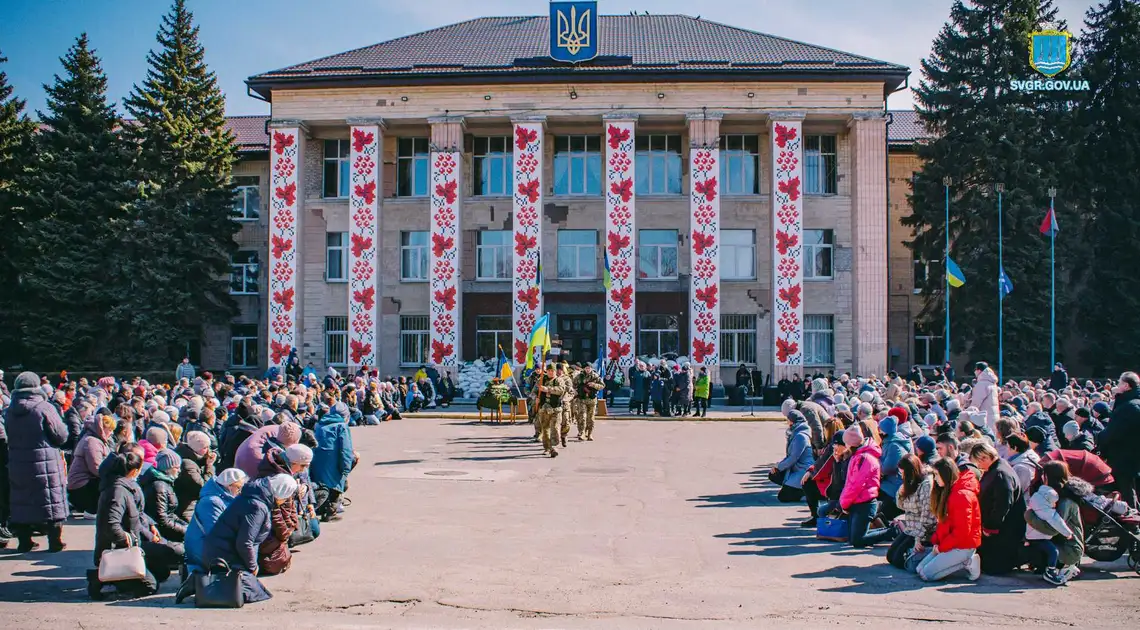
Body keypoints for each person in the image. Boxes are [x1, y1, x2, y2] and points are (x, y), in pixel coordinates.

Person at [201, 474, 296, 605]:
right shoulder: (258, 506)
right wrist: (253, 566)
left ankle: (200, 582)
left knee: (257, 590)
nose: (285, 500)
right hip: (224, 555)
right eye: (286, 496)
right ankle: (198, 583)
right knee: (253, 593)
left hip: (223, 551)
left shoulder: (256, 498)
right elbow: (245, 542)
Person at [90, 451, 169, 599]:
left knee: (161, 571)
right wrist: (127, 539)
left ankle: (111, 577)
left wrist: (150, 527)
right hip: (119, 550)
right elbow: (111, 525)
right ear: (134, 471)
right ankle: (101, 578)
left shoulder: (123, 486)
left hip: (132, 544)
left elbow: (137, 514)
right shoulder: (118, 492)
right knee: (150, 586)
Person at [5, 371, 69, 552]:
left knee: (21, 499)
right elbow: (61, 436)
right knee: (51, 499)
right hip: (45, 461)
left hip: (18, 462)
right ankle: (55, 541)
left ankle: (25, 541)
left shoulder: (9, 410)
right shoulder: (44, 408)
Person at [916, 458, 982, 581]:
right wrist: (937, 542)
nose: (934, 479)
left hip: (963, 545)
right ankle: (959, 561)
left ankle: (968, 561)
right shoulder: (949, 491)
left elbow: (962, 532)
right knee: (919, 569)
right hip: (952, 542)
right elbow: (944, 524)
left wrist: (941, 548)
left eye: (936, 475)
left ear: (945, 474)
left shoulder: (961, 495)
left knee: (926, 575)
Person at [970, 442, 1026, 575]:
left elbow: (1002, 504)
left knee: (994, 566)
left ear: (984, 458)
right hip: (999, 527)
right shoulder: (998, 469)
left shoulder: (1001, 473)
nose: (978, 466)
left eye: (978, 462)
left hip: (1004, 529)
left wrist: (990, 526)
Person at [1024, 460, 1077, 585]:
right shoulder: (1050, 500)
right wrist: (1067, 533)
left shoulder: (1040, 496)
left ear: (1046, 477)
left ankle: (1047, 569)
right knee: (1053, 552)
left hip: (1036, 534)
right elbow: (1055, 520)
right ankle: (1051, 572)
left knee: (1049, 551)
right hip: (1039, 535)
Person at [887, 454, 937, 571]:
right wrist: (901, 490)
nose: (901, 476)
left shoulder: (926, 484)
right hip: (911, 527)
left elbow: (928, 515)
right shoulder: (910, 483)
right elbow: (900, 505)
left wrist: (919, 539)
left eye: (903, 473)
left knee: (899, 560)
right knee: (891, 556)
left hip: (922, 530)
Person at [840, 426, 887, 548]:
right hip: (858, 501)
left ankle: (892, 531)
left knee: (857, 540)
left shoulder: (864, 458)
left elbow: (855, 485)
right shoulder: (859, 455)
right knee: (853, 538)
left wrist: (844, 503)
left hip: (864, 502)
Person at [1100, 371, 1140, 507]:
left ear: (1126, 386)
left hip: (1123, 455)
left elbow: (1113, 431)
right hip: (1132, 454)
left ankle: (1132, 524)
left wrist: (1100, 439)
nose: (1117, 385)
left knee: (1126, 490)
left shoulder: (1128, 407)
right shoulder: (1133, 404)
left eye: (1119, 383)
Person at [311, 402, 355, 519]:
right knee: (338, 481)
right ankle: (331, 511)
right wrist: (346, 468)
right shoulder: (342, 426)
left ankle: (322, 506)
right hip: (332, 461)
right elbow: (346, 449)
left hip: (317, 460)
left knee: (323, 483)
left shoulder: (320, 423)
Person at [68, 413, 116, 519]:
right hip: (81, 487)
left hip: (80, 485)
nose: (111, 433)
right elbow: (96, 468)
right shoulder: (92, 442)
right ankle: (92, 509)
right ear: (103, 428)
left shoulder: (94, 439)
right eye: (110, 430)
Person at [141, 448, 189, 542]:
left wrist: (186, 525)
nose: (179, 470)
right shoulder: (159, 487)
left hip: (168, 528)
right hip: (161, 534)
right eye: (176, 467)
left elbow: (170, 514)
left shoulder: (165, 483)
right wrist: (185, 530)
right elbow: (162, 520)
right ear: (167, 468)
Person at [878, 412, 914, 521]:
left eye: (880, 429)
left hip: (895, 485)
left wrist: (877, 460)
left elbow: (886, 468)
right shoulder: (891, 441)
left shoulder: (895, 446)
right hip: (891, 482)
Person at [772, 410, 814, 503]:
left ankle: (805, 493)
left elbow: (793, 458)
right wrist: (778, 466)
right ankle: (795, 488)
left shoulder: (801, 436)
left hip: (803, 470)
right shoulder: (796, 433)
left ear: (792, 421)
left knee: (783, 497)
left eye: (788, 420)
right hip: (796, 469)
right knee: (773, 474)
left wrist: (779, 467)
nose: (787, 422)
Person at [174, 431, 216, 520]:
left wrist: (205, 461)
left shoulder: (184, 453)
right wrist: (209, 466)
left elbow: (195, 461)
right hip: (186, 508)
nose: (208, 451)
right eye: (205, 447)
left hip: (189, 504)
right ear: (197, 448)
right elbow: (203, 487)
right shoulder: (187, 465)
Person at [969, 362, 1000, 431]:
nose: (974, 372)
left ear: (979, 371)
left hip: (984, 416)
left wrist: (969, 412)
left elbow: (976, 403)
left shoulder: (982, 384)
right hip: (993, 415)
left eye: (975, 370)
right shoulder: (992, 383)